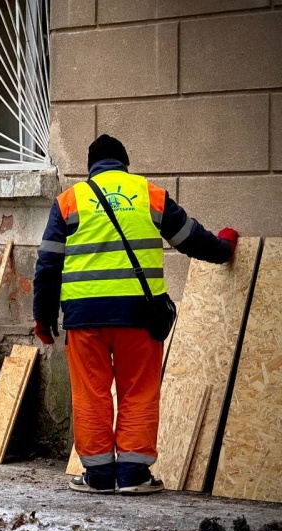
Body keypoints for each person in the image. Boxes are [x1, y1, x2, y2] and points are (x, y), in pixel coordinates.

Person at [33, 134, 238, 495]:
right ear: (125, 164)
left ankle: (97, 476)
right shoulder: (149, 195)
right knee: (138, 391)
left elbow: (48, 264)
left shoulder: (69, 201)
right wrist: (224, 248)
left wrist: (43, 316)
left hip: (85, 318)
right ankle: (132, 476)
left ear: (91, 167)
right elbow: (191, 237)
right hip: (139, 316)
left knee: (91, 393)